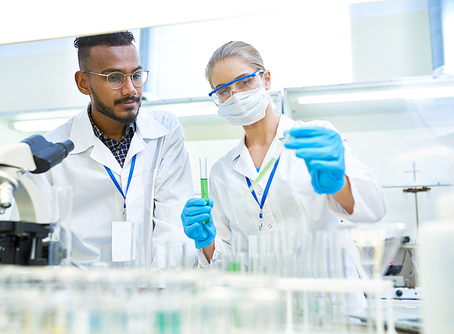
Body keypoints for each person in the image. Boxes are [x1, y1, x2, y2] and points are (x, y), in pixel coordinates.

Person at [181, 41, 387, 303]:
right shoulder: (222, 172)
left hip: (334, 308)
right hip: (266, 312)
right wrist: (206, 242)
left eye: (244, 83)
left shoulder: (314, 138)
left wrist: (338, 184)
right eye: (223, 91)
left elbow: (375, 209)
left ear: (266, 79)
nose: (235, 97)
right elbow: (227, 268)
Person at [30, 31, 196, 270]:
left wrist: (159, 290)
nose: (131, 89)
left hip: (153, 292)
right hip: (81, 296)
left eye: (136, 75)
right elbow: (42, 246)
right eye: (114, 78)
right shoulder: (50, 153)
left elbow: (173, 226)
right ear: (83, 83)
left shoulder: (164, 131)